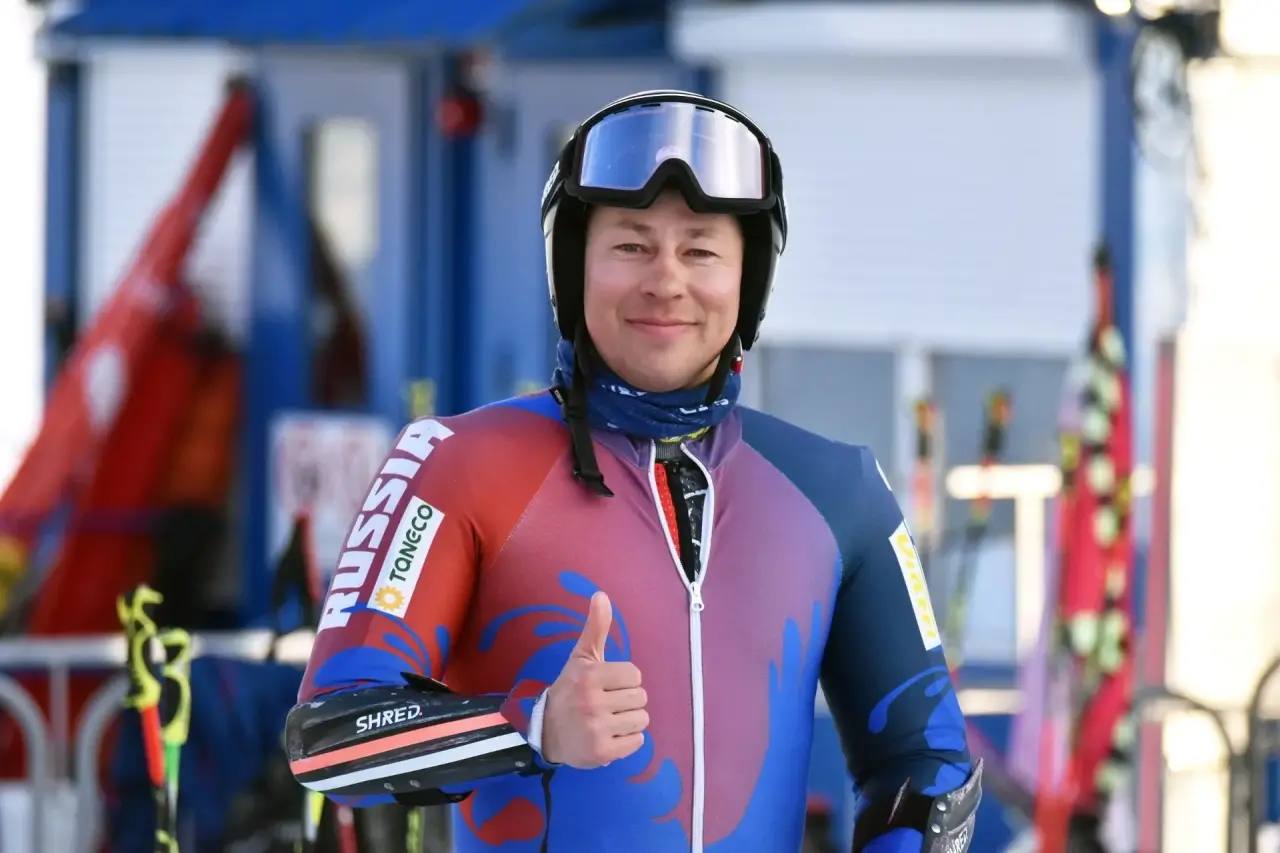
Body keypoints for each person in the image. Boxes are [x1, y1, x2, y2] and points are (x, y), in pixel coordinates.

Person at [286, 90, 981, 852]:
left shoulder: (839, 491)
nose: (666, 281)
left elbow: (928, 764)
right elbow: (329, 735)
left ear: (748, 279)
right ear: (573, 266)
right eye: (631, 245)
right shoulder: (456, 463)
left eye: (701, 250)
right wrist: (531, 726)